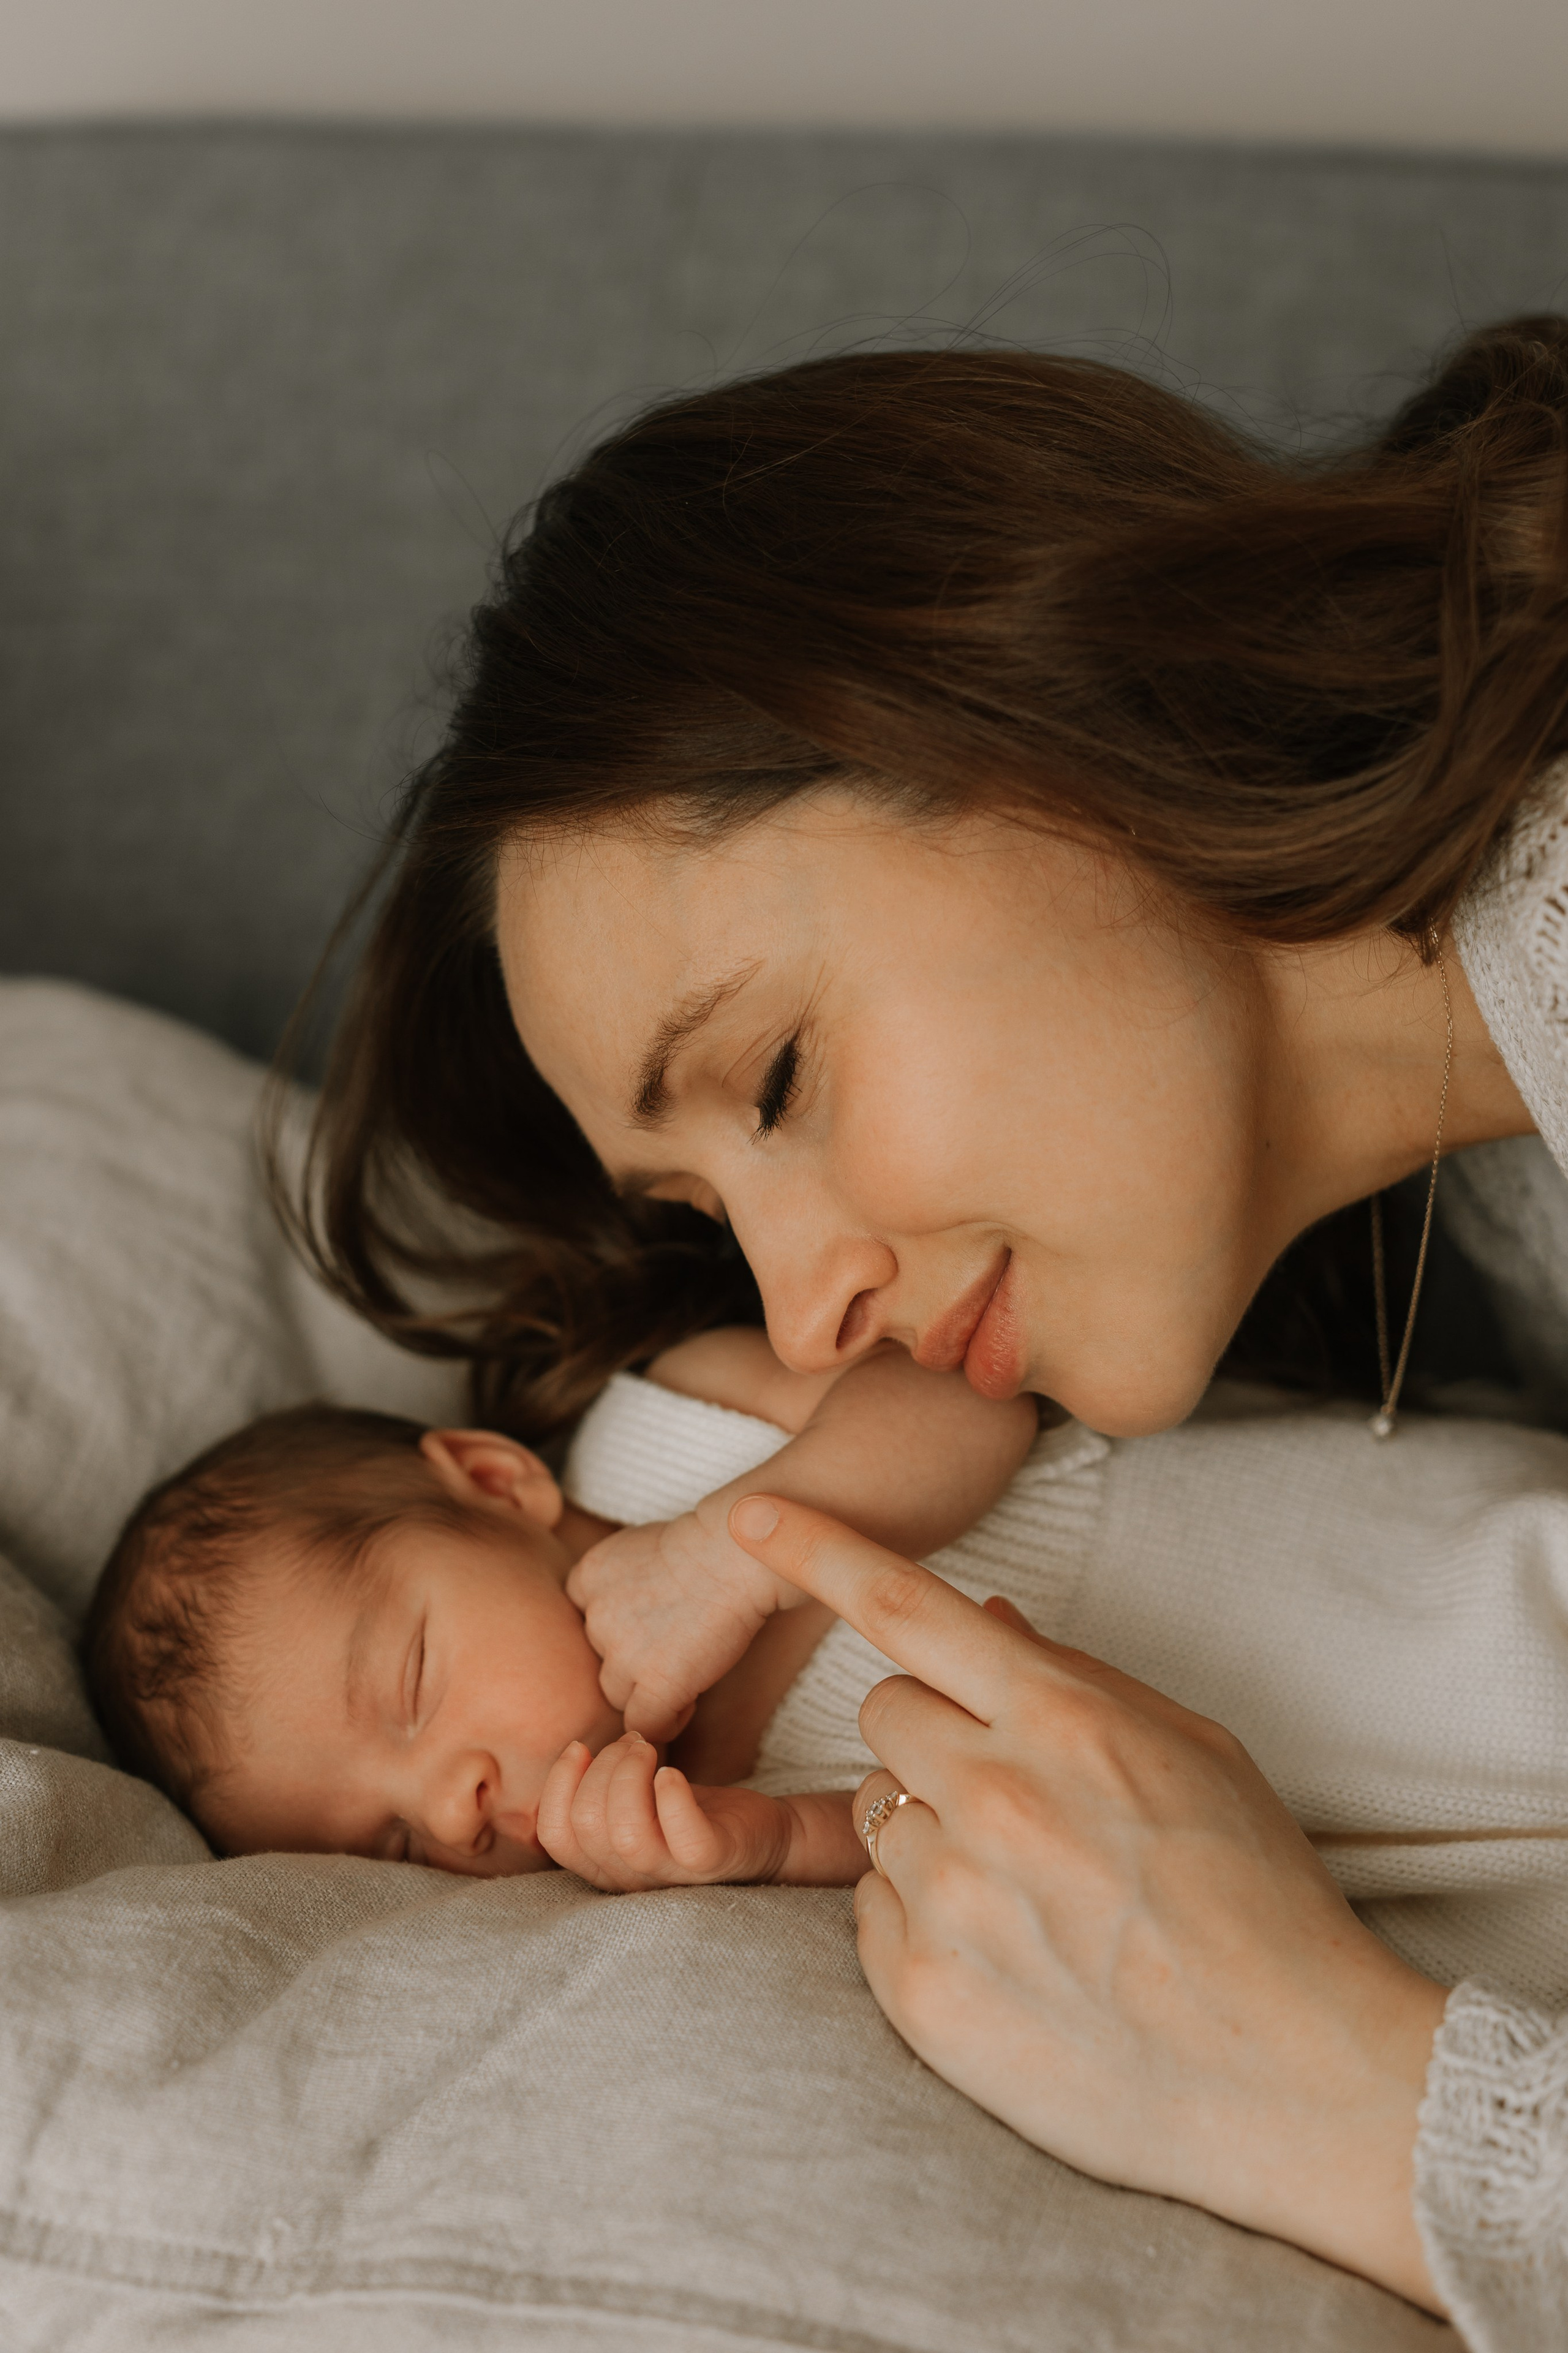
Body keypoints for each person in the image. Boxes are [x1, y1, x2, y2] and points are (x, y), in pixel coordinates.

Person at [281, 314, 1568, 2344]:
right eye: (712, 1217)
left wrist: (1341, 2089)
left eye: (776, 1081)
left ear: (1040, 705)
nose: (806, 1301)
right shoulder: (1500, 1173)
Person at [80, 1332, 1036, 1878]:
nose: (455, 1812)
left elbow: (977, 1399)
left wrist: (728, 1557)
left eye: (414, 1683)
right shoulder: (673, 1820)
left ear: (494, 1483)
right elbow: (947, 1836)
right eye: (397, 1843)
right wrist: (767, 1841)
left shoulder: (672, 1428)